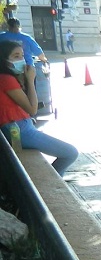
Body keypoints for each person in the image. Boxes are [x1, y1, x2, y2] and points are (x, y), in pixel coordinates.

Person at [0, 40, 78, 175]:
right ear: (4, 60)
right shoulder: (6, 79)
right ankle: (54, 184)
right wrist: (30, 80)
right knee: (70, 153)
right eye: (16, 56)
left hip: (20, 126)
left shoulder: (8, 77)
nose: (22, 60)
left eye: (22, 55)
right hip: (19, 129)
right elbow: (32, 109)